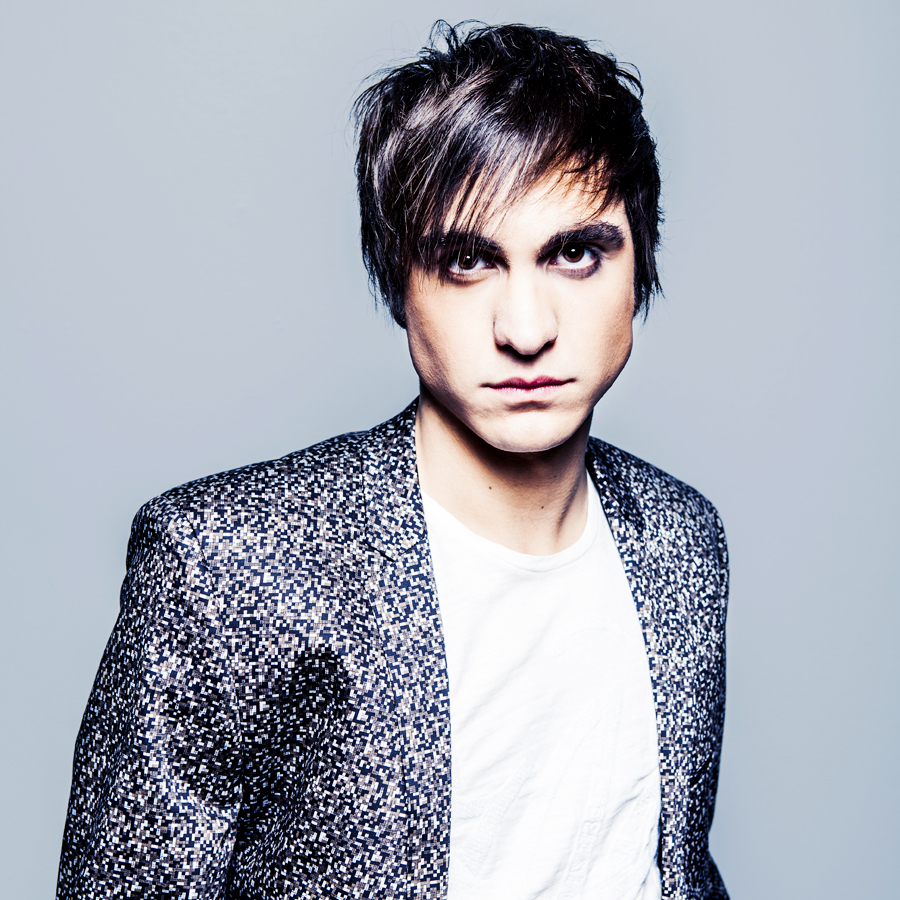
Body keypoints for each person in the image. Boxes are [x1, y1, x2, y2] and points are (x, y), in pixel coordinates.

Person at [57, 21, 729, 900]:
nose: (526, 329)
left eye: (574, 253)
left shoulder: (683, 541)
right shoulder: (226, 563)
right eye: (467, 261)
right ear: (399, 283)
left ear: (638, 266)